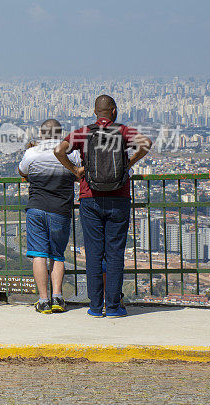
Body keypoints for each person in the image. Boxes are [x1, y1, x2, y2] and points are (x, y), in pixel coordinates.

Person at [54, 95, 151, 318]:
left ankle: (96, 307)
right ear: (114, 111)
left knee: (94, 254)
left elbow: (59, 150)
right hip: (119, 198)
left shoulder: (83, 132)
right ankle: (114, 306)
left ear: (95, 112)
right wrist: (129, 163)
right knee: (115, 254)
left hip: (90, 198)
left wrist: (75, 170)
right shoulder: (123, 131)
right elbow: (146, 144)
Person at [18, 119, 80, 314]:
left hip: (36, 207)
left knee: (38, 254)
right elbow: (79, 173)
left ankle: (43, 300)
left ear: (41, 133)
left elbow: (22, 171)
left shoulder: (31, 153)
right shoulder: (71, 153)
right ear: (60, 134)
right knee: (57, 255)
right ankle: (58, 298)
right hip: (61, 209)